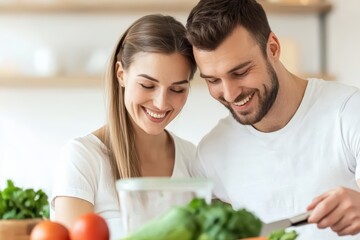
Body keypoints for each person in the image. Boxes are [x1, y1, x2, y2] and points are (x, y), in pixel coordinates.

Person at [186, 0, 360, 239]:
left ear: (274, 48)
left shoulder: (349, 111)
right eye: (213, 80)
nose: (229, 93)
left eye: (240, 72)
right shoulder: (210, 154)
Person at [50, 14, 197, 239]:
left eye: (177, 89)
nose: (161, 103)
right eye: (148, 85)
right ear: (121, 74)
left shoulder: (193, 159)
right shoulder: (83, 157)